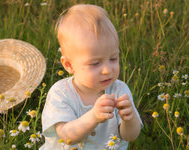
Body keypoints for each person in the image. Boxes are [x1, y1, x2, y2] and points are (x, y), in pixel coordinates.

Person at [40, 4, 142, 150]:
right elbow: (67, 136)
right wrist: (93, 116)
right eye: (95, 63)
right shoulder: (61, 93)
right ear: (69, 65)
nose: (107, 70)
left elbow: (130, 136)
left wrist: (130, 119)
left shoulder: (119, 89)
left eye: (113, 59)